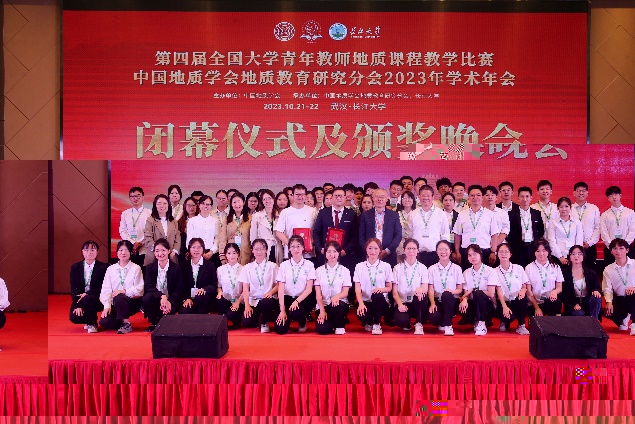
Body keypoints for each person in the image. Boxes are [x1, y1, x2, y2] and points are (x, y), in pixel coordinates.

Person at [99, 240, 144, 334]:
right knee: (104, 322)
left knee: (119, 297)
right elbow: (106, 289)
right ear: (117, 252)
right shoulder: (111, 269)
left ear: (131, 252)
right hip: (115, 303)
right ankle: (120, 321)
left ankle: (126, 323)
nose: (123, 253)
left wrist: (124, 291)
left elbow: (140, 290)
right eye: (120, 250)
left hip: (131, 302)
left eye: (126, 250)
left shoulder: (136, 268)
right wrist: (107, 306)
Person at [274, 235, 316, 334]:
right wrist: (282, 310)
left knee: (296, 311)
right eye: (293, 246)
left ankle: (302, 322)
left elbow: (309, 289)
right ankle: (287, 318)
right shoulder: (284, 265)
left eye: (298, 246)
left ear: (303, 248)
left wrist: (297, 301)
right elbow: (280, 289)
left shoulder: (309, 265)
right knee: (280, 330)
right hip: (287, 298)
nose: (296, 249)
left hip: (302, 299)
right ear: (289, 249)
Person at [452, 185, 500, 270]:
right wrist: (457, 251)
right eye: (472, 195)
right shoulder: (462, 214)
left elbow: (494, 234)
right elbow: (457, 234)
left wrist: (493, 252)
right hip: (466, 251)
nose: (475, 197)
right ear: (469, 197)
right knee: (466, 275)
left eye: (478, 195)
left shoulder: (490, 214)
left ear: (482, 197)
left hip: (484, 251)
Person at [313, 187, 359, 275]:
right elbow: (316, 232)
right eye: (336, 196)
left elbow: (355, 236)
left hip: (344, 256)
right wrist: (320, 249)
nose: (338, 198)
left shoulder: (351, 214)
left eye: (341, 196)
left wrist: (346, 250)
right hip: (325, 255)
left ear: (345, 197)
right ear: (332, 197)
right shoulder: (323, 213)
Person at [142, 239, 184, 331]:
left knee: (167, 322)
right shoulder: (150, 268)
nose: (160, 253)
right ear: (154, 253)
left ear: (169, 251)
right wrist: (162, 296)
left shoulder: (176, 268)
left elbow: (179, 289)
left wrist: (168, 301)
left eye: (163, 250)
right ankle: (154, 322)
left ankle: (165, 319)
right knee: (148, 297)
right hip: (157, 298)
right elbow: (148, 286)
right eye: (157, 251)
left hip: (171, 299)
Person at [354, 238, 395, 335]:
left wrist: (381, 289)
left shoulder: (386, 266)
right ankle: (369, 321)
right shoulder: (359, 266)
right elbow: (357, 288)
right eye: (370, 248)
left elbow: (389, 287)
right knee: (362, 315)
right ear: (366, 249)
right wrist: (360, 303)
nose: (373, 251)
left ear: (380, 250)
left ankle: (377, 323)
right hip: (365, 301)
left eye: (376, 248)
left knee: (377, 295)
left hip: (381, 301)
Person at [458, 244, 499, 336]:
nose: (472, 257)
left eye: (475, 254)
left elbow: (491, 293)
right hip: (473, 302)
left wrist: (473, 290)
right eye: (469, 255)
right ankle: (475, 320)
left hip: (487, 304)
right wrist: (464, 300)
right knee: (463, 305)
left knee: (478, 293)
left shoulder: (490, 271)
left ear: (480, 254)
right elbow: (466, 294)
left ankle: (481, 323)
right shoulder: (466, 272)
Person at [69, 240, 108, 333]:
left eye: (92, 250)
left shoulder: (104, 267)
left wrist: (88, 293)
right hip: (80, 299)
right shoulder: (75, 267)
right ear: (82, 251)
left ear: (97, 252)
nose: (89, 252)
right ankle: (88, 319)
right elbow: (74, 288)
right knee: (75, 317)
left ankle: (92, 323)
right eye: (86, 250)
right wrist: (78, 305)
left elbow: (104, 287)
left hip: (97, 298)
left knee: (88, 299)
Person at [241, 239, 279, 332]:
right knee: (247, 322)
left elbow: (278, 285)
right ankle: (260, 317)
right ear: (252, 250)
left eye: (262, 249)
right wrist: (247, 306)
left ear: (266, 250)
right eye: (256, 249)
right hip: (254, 301)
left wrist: (271, 292)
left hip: (268, 300)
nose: (259, 252)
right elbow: (245, 289)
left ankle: (264, 322)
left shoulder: (273, 266)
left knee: (265, 303)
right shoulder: (247, 268)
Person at [392, 238, 429, 334]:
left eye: (414, 248)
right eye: (408, 248)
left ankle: (419, 323)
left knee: (421, 294)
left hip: (417, 302)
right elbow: (394, 292)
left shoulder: (423, 268)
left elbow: (425, 288)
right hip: (403, 302)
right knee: (400, 320)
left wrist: (420, 290)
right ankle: (406, 322)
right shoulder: (397, 268)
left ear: (418, 250)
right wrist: (400, 304)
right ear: (404, 250)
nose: (411, 251)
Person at [427, 240, 464, 336]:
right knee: (433, 316)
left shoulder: (457, 268)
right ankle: (442, 321)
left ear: (450, 251)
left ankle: (448, 325)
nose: (443, 252)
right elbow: (430, 289)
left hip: (452, 301)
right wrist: (432, 303)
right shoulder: (431, 269)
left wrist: (451, 291)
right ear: (436, 252)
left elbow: (460, 289)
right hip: (437, 301)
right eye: (440, 249)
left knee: (447, 295)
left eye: (445, 249)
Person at [314, 241, 352, 335]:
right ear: (325, 253)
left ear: (339, 253)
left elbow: (345, 292)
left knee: (335, 305)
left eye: (334, 251)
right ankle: (332, 322)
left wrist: (336, 297)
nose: (332, 254)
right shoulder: (318, 271)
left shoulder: (345, 270)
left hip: (339, 304)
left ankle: (340, 325)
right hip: (323, 305)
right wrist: (322, 311)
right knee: (322, 330)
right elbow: (318, 294)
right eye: (329, 252)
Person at [359, 188, 403, 267]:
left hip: (389, 254)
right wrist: (369, 250)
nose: (379, 199)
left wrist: (387, 251)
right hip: (370, 255)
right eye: (377, 196)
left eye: (382, 197)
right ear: (373, 198)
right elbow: (361, 236)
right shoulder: (365, 215)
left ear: (387, 199)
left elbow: (398, 235)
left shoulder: (394, 215)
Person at [494, 242, 530, 334]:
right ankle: (504, 322)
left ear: (510, 254)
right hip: (503, 301)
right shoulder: (494, 271)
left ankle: (521, 325)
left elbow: (524, 286)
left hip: (516, 300)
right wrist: (504, 307)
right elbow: (498, 290)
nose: (503, 254)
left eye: (506, 252)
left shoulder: (519, 268)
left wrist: (522, 291)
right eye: (501, 252)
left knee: (522, 299)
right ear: (497, 254)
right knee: (506, 316)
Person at [275, 184, 318, 261]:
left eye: (302, 194)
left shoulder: (313, 211)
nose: (300, 197)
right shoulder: (285, 212)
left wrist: (311, 242)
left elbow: (317, 231)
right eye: (297, 194)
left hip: (309, 254)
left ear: (305, 195)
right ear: (292, 195)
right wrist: (291, 245)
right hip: (290, 254)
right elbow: (278, 232)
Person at [409, 185, 449, 267]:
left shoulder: (441, 214)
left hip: (435, 254)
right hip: (417, 254)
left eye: (428, 195)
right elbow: (409, 234)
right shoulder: (413, 214)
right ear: (419, 197)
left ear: (433, 197)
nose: (425, 198)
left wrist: (444, 253)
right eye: (423, 195)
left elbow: (445, 235)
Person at [602, 239, 635, 335]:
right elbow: (607, 288)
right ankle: (623, 319)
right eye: (615, 248)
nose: (618, 251)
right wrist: (609, 302)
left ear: (627, 250)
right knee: (606, 311)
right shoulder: (608, 269)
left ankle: (634, 324)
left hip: (633, 296)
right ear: (611, 251)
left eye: (621, 248)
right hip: (619, 299)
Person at [525, 239, 564, 317]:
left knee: (556, 302)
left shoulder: (555, 266)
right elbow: (528, 292)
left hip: (550, 300)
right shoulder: (528, 268)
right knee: (536, 323)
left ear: (548, 251)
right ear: (534, 252)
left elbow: (559, 287)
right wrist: (537, 308)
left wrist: (555, 292)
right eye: (538, 251)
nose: (541, 254)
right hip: (534, 303)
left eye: (544, 250)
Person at [507, 187, 545, 266]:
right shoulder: (511, 214)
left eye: (527, 196)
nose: (524, 199)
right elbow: (509, 232)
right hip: (517, 249)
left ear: (531, 198)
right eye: (522, 196)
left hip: (533, 247)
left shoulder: (537, 213)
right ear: (518, 198)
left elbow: (541, 230)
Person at [180, 238, 218, 314]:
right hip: (189, 299)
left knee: (200, 298)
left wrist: (204, 289)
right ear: (189, 249)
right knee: (184, 311)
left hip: (203, 298)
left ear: (203, 249)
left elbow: (214, 285)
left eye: (199, 247)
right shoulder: (183, 265)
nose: (196, 250)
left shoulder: (210, 265)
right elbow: (180, 286)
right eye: (193, 247)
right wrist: (186, 298)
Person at [562, 245, 602, 319]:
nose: (576, 256)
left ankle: (594, 322)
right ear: (569, 257)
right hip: (572, 302)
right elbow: (563, 293)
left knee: (596, 298)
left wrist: (596, 290)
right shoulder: (564, 273)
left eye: (579, 254)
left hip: (587, 300)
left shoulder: (591, 273)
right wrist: (573, 304)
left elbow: (596, 287)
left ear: (583, 256)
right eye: (573, 254)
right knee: (578, 313)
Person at [600, 186, 635, 265]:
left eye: (616, 194)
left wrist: (624, 246)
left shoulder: (630, 213)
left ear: (620, 195)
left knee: (628, 270)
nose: (614, 197)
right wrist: (612, 247)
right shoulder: (605, 215)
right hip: (610, 250)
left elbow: (633, 230)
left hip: (627, 248)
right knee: (610, 270)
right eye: (611, 195)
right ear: (608, 198)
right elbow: (604, 232)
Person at [143, 194, 181, 266]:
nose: (162, 206)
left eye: (164, 203)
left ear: (168, 205)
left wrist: (174, 251)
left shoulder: (173, 221)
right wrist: (159, 251)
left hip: (171, 256)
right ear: (155, 205)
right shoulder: (150, 220)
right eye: (159, 203)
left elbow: (177, 238)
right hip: (154, 257)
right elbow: (148, 237)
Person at [118, 186, 152, 268]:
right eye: (132, 196)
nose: (135, 198)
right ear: (130, 198)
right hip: (130, 249)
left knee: (144, 272)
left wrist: (140, 243)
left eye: (138, 196)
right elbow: (122, 231)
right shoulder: (125, 213)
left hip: (145, 249)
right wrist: (133, 243)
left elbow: (151, 231)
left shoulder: (150, 213)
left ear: (143, 197)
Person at [186, 195, 223, 268]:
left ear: (211, 206)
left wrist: (211, 252)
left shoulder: (215, 221)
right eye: (203, 203)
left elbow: (217, 238)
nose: (205, 206)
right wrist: (198, 252)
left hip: (212, 254)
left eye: (208, 204)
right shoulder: (192, 221)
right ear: (199, 205)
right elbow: (189, 240)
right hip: (196, 254)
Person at [250, 189, 284, 265]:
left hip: (277, 247)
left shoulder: (280, 215)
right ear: (262, 201)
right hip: (263, 248)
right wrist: (255, 250)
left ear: (273, 199)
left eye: (269, 198)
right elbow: (253, 237)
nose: (267, 201)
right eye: (264, 199)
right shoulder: (257, 216)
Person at [571, 182, 601, 269]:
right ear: (574, 193)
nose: (581, 193)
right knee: (574, 270)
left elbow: (598, 227)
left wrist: (590, 243)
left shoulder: (593, 208)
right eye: (578, 191)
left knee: (590, 271)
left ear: (587, 193)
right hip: (573, 246)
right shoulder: (569, 208)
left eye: (583, 191)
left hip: (589, 247)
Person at [547, 197, 584, 266]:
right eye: (561, 207)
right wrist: (560, 257)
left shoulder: (577, 222)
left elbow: (579, 241)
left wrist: (574, 256)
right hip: (557, 257)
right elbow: (551, 241)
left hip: (574, 258)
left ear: (570, 207)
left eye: (566, 206)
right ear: (558, 208)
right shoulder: (553, 223)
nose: (564, 209)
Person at [216, 243, 244, 329]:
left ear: (238, 254)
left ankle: (234, 320)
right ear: (225, 255)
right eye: (229, 253)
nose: (231, 256)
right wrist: (220, 292)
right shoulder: (220, 269)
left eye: (234, 253)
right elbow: (219, 286)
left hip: (239, 301)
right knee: (219, 300)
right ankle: (222, 322)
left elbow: (246, 290)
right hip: (226, 300)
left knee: (231, 315)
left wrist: (237, 303)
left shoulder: (244, 269)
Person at [220, 193, 251, 265]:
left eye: (239, 201)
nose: (237, 204)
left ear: (244, 202)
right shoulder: (227, 220)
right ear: (231, 204)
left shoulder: (250, 219)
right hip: (231, 254)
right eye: (234, 202)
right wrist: (222, 256)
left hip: (246, 254)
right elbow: (223, 238)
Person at [395, 190, 416, 261]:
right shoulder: (396, 214)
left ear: (413, 200)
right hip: (399, 244)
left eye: (409, 197)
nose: (407, 200)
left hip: (414, 244)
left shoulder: (417, 214)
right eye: (404, 198)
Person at [177, 196, 198, 260]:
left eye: (193, 205)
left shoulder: (200, 221)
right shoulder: (180, 222)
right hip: (183, 251)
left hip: (197, 250)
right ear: (185, 207)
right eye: (188, 205)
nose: (191, 208)